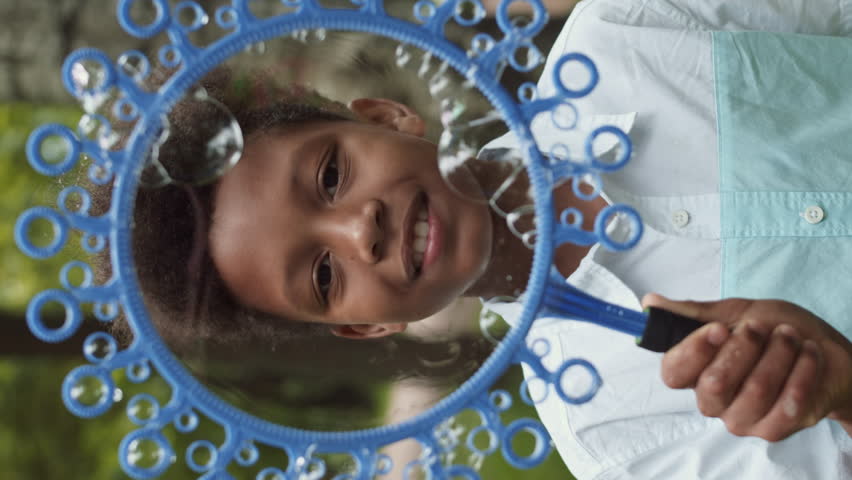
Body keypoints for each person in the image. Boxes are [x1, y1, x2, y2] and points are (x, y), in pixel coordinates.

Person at [119, 0, 852, 478]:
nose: (358, 230)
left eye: (332, 175)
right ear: (368, 324)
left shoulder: (626, 29)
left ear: (387, 115)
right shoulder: (612, 433)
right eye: (321, 276)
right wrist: (842, 391)